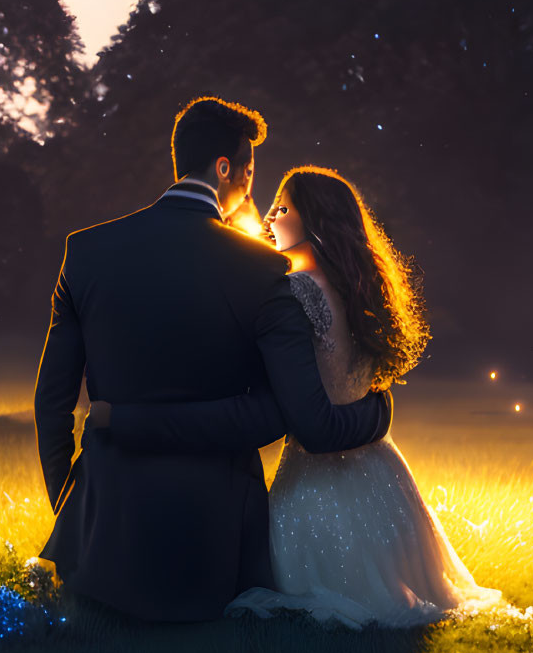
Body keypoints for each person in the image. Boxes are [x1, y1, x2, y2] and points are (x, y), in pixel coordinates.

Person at [34, 98, 392, 622]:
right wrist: (378, 411)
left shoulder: (86, 250)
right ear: (225, 168)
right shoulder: (263, 270)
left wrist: (71, 505)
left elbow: (52, 400)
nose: (251, 193)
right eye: (249, 175)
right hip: (214, 549)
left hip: (101, 544)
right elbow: (275, 415)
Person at [103, 166, 501, 627]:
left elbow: (295, 405)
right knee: (404, 592)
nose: (270, 216)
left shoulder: (295, 291)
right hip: (382, 473)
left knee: (308, 598)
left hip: (319, 481)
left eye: (283, 207)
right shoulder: (362, 289)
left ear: (315, 220)